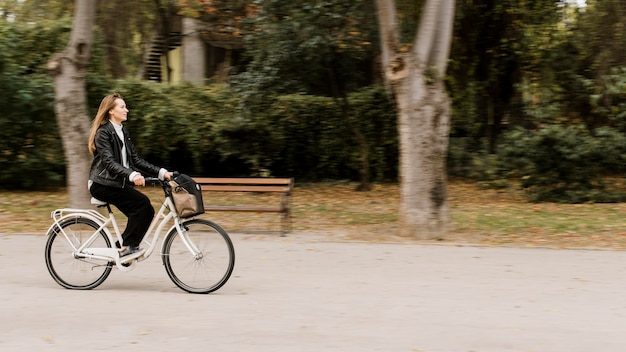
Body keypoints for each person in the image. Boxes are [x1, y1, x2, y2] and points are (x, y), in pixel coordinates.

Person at [87, 93, 173, 257]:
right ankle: (126, 247)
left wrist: (162, 173)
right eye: (122, 106)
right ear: (111, 111)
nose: (126, 110)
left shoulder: (122, 131)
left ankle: (124, 247)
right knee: (141, 204)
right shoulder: (103, 133)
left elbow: (136, 160)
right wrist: (132, 175)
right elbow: (110, 163)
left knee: (146, 211)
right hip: (102, 184)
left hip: (116, 184)